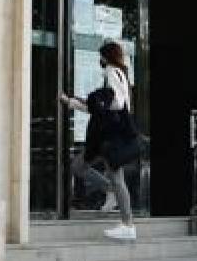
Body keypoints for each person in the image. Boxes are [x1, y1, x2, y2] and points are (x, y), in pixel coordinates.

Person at [60, 41, 140, 241]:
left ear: (106, 57)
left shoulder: (112, 72)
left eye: (101, 56)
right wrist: (71, 102)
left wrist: (100, 102)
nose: (100, 60)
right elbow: (100, 106)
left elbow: (116, 103)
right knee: (79, 166)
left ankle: (128, 224)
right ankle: (110, 191)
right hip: (104, 136)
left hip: (109, 136)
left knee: (117, 178)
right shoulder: (121, 74)